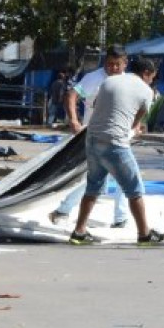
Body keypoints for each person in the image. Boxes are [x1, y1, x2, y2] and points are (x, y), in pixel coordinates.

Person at [68, 58, 164, 246]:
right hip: (114, 143)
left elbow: (97, 104)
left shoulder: (109, 81)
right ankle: (144, 234)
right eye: (152, 77)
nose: (152, 81)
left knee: (93, 186)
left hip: (92, 138)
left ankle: (79, 231)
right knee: (134, 188)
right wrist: (134, 129)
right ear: (147, 73)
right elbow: (136, 122)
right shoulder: (146, 91)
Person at [49, 46, 132, 228]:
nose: (113, 68)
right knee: (94, 177)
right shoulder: (93, 78)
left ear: (125, 64)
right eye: (110, 64)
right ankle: (64, 209)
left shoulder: (128, 82)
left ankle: (120, 218)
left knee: (122, 177)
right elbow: (71, 96)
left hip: (119, 135)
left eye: (117, 65)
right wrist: (74, 120)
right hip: (95, 135)